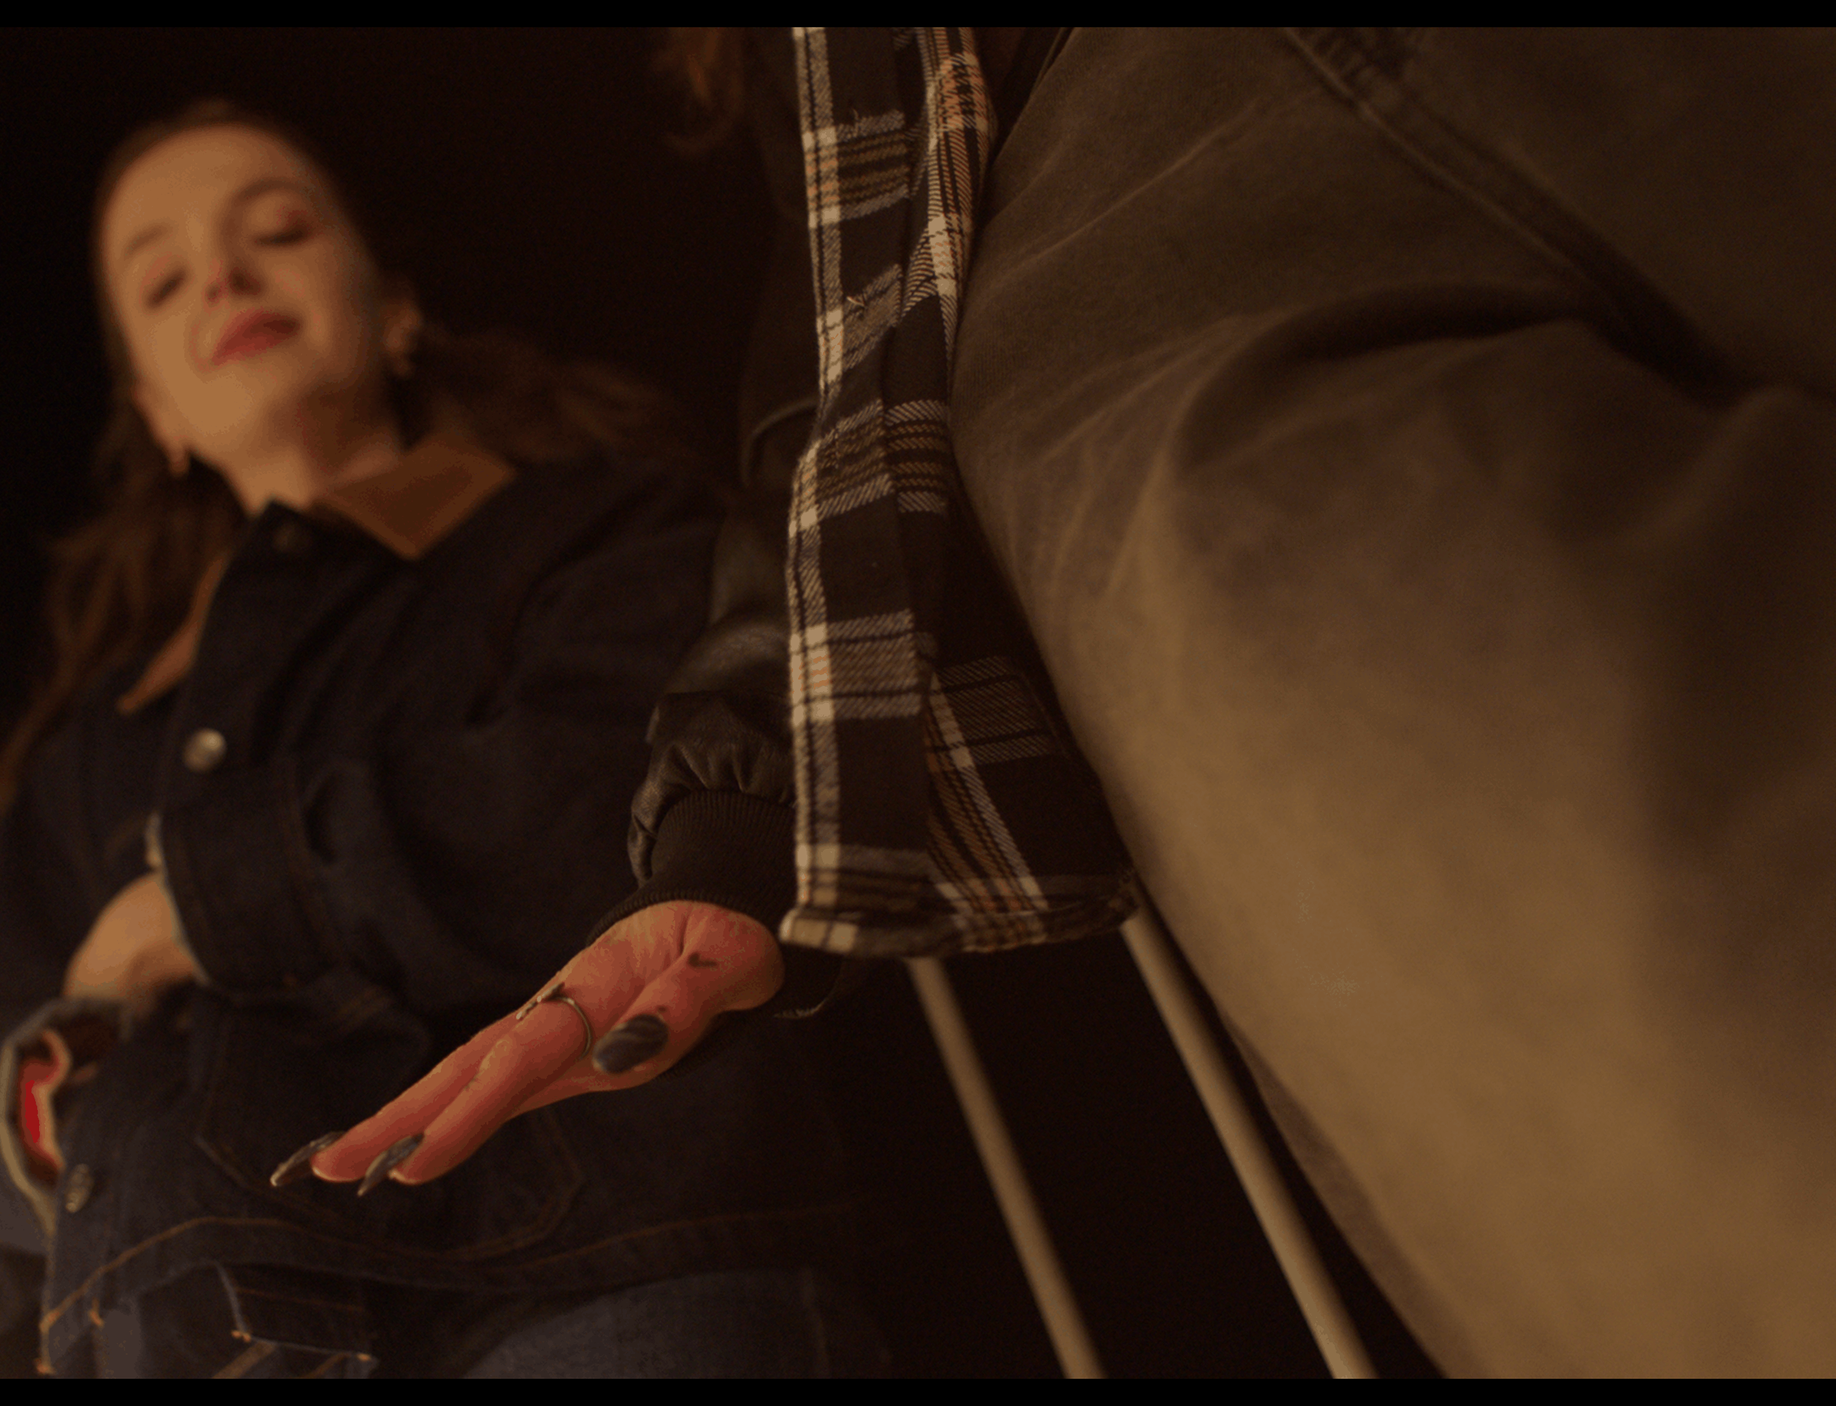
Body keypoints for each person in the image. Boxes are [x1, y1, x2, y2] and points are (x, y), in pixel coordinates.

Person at [320, 30, 1836, 1375]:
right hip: (1132, 233)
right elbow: (830, 372)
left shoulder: (559, 523)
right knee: (1666, 990)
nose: (228, 284)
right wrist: (733, 817)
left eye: (276, 228)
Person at [0, 101, 881, 1378]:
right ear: (158, 412)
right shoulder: (103, 743)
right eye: (163, 282)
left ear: (394, 310)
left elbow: (633, 791)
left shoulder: (591, 526)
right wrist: (50, 1088)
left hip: (589, 1286)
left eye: (275, 230)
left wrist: (207, 902)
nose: (222, 277)